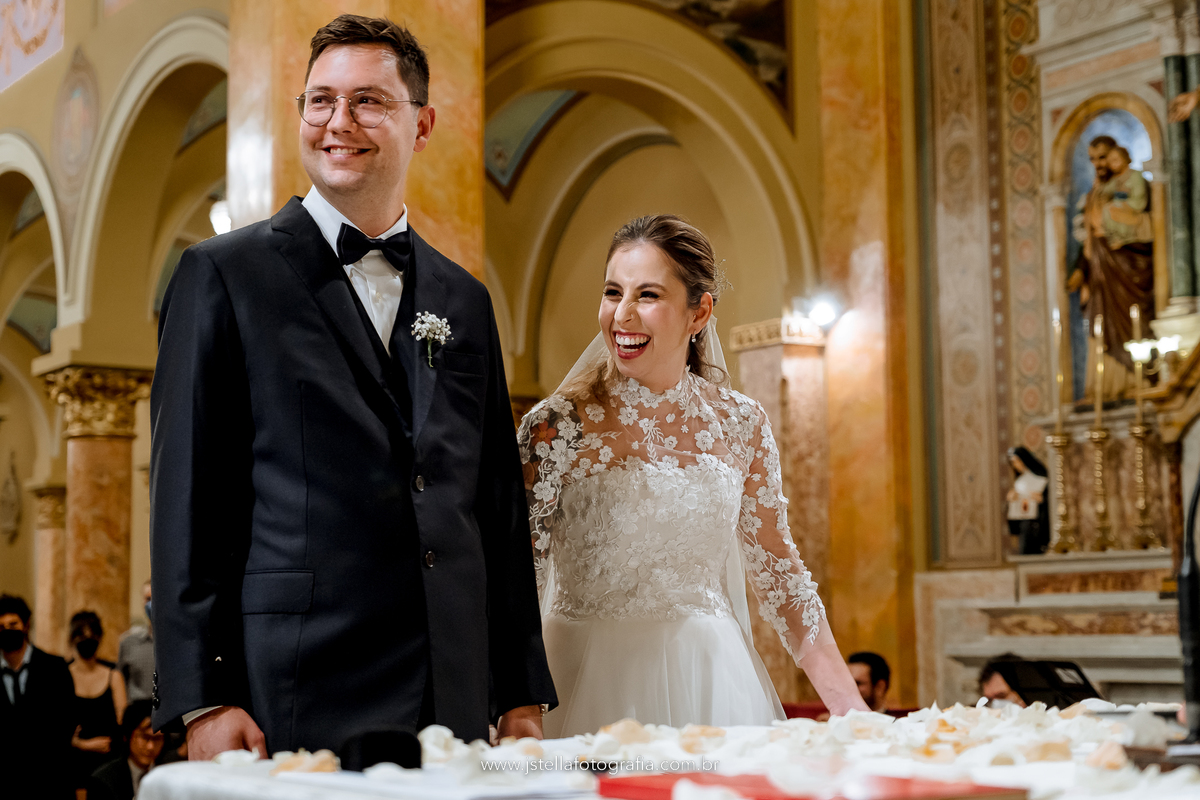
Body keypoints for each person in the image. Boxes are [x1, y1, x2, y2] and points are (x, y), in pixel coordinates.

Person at [150, 13, 555, 759]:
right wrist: (202, 696)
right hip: (297, 684)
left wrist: (520, 685)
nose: (339, 122)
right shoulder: (223, 276)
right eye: (320, 101)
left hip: (452, 687)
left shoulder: (464, 299)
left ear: (422, 124)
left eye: (368, 100)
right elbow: (186, 502)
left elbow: (494, 504)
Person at [517, 215, 868, 737]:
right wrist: (517, 712)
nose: (623, 315)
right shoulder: (555, 426)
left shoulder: (741, 424)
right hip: (582, 680)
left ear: (698, 311)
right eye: (614, 292)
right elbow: (517, 584)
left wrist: (852, 712)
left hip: (711, 683)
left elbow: (784, 580)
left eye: (649, 295)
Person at [1065, 135, 1154, 378]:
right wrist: (1080, 269)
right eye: (1093, 159)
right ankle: (1107, 383)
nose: (1099, 164)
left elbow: (1144, 222)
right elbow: (1089, 239)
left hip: (1128, 264)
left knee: (1133, 321)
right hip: (1100, 268)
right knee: (1100, 321)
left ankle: (1140, 378)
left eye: (1103, 157)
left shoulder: (1130, 183)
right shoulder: (1094, 192)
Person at [0, 594, 76, 799]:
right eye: (1, 626)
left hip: (49, 780)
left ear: (26, 625)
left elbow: (67, 720)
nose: (7, 630)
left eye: (13, 624)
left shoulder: (55, 667)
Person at [68, 610, 127, 795]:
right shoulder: (62, 675)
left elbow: (123, 720)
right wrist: (81, 744)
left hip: (108, 757)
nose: (88, 640)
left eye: (92, 635)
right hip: (72, 759)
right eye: (82, 635)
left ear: (100, 637)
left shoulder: (113, 675)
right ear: (72, 639)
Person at [86, 700, 164, 800]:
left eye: (157, 739)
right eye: (144, 737)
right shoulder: (103, 781)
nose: (150, 746)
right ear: (127, 735)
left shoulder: (170, 775)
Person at [1005, 447, 1050, 555]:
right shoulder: (1019, 482)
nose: (1015, 465)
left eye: (1017, 461)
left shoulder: (1042, 478)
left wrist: (1042, 499)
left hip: (1040, 525)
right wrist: (1012, 500)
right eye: (1013, 463)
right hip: (1025, 524)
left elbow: (1050, 502)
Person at [117, 580, 153, 703]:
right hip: (137, 713)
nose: (152, 604)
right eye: (148, 599)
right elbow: (121, 682)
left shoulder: (177, 645)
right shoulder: (128, 643)